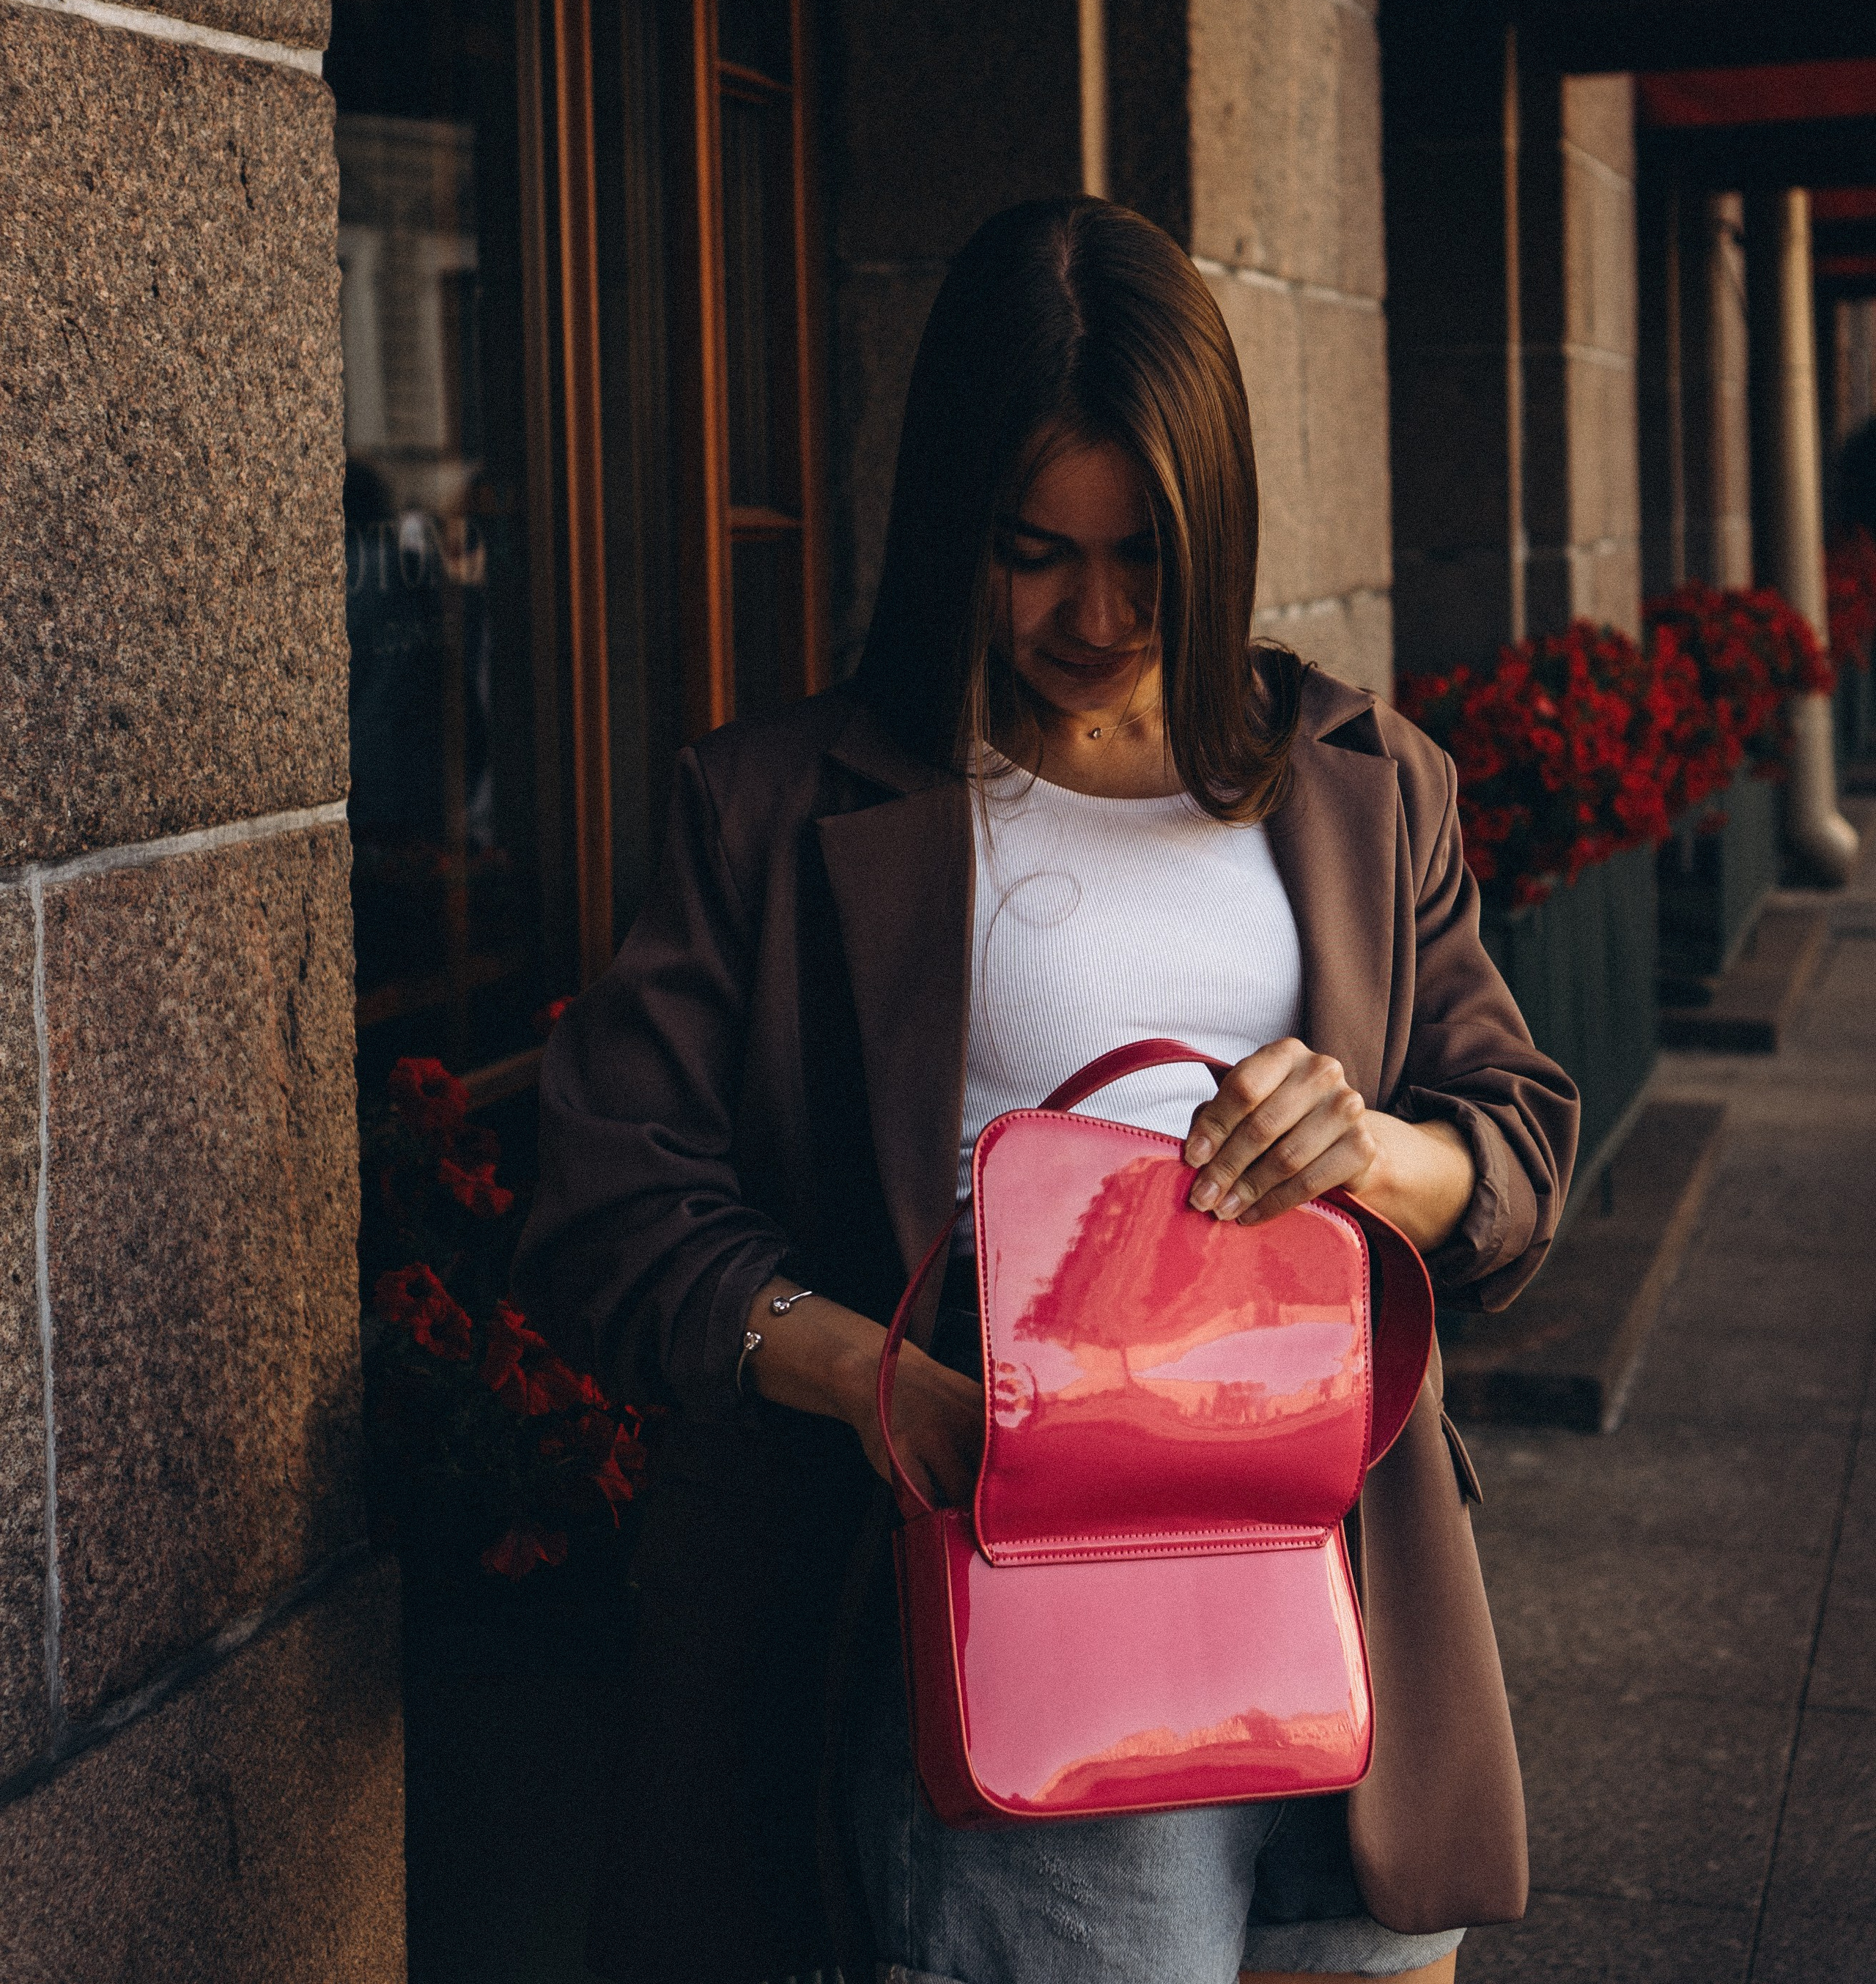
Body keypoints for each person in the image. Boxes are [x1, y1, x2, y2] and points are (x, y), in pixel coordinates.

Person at [516, 196, 1578, 1984]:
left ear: (1218, 522)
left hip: (1350, 1606)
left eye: (1144, 553)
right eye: (1032, 552)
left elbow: (1515, 1136)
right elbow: (609, 1204)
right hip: (1029, 1643)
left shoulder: (1356, 779)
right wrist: (872, 1380)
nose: (1092, 614)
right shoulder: (783, 808)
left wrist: (1381, 1157)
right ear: (949, 528)